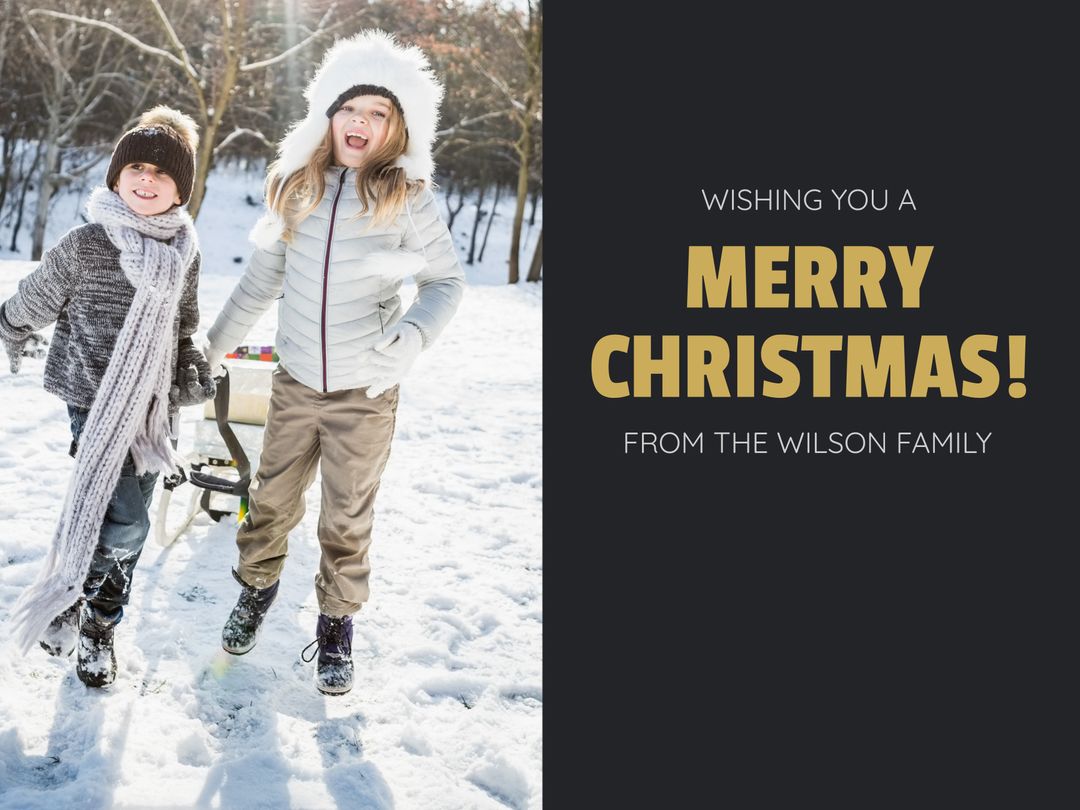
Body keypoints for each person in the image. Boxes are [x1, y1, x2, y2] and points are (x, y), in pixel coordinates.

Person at [204, 30, 465, 695]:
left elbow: (445, 284)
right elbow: (260, 282)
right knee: (268, 503)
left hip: (365, 391)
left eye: (380, 113)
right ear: (328, 112)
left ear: (397, 126)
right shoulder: (297, 188)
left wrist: (408, 342)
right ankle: (256, 592)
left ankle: (335, 626)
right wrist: (209, 347)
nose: (363, 122)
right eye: (353, 107)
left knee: (347, 517)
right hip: (294, 383)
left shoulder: (407, 196)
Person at [2, 107, 215, 687]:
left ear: (180, 191)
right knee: (124, 522)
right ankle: (70, 596)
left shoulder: (183, 248)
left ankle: (99, 626)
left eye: (162, 174)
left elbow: (184, 323)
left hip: (152, 409)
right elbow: (38, 296)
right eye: (136, 167)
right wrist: (10, 325)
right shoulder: (86, 242)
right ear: (117, 175)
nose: (146, 180)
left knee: (128, 515)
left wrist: (190, 364)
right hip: (91, 398)